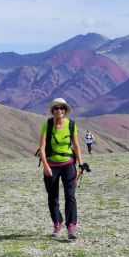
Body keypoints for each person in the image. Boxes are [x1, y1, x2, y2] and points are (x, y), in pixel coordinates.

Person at [37, 98, 86, 240]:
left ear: (65, 110)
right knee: (53, 197)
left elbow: (76, 146)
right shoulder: (47, 124)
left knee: (70, 196)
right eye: (56, 108)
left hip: (68, 164)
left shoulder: (71, 125)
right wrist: (45, 166)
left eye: (62, 108)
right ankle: (57, 223)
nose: (59, 111)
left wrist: (81, 163)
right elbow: (42, 147)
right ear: (52, 111)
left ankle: (71, 227)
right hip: (51, 165)